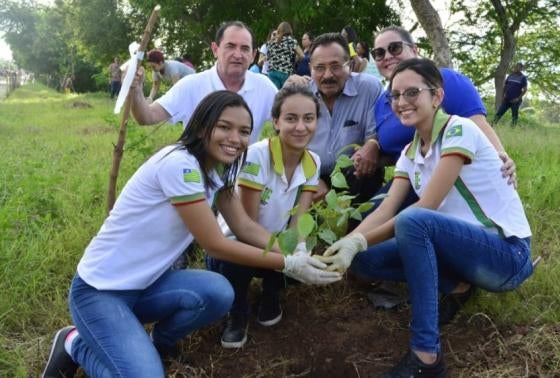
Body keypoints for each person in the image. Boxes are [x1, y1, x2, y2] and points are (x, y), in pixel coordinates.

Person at [41, 91, 341, 378]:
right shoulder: (179, 164)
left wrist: (295, 253)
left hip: (147, 284)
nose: (235, 139)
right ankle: (73, 342)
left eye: (244, 131)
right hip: (99, 291)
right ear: (201, 126)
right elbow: (215, 244)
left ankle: (159, 342)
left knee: (218, 292)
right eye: (225, 127)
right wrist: (287, 265)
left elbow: (245, 227)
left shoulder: (217, 171)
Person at [319, 58, 533, 378]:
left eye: (412, 93)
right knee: (366, 261)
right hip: (464, 252)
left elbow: (426, 206)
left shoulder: (459, 129)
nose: (402, 102)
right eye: (395, 95)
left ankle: (426, 357)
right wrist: (349, 245)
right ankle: (458, 285)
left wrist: (359, 239)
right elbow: (385, 209)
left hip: (506, 254)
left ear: (437, 97)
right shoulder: (409, 153)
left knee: (414, 221)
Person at [207, 84, 321, 348]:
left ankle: (270, 296)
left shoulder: (312, 162)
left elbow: (299, 219)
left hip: (273, 241)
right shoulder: (256, 155)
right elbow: (247, 225)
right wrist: (289, 258)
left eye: (309, 118)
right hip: (239, 241)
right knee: (241, 260)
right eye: (291, 119)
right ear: (276, 121)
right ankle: (237, 313)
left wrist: (299, 249)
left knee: (300, 252)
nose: (300, 127)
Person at [367, 25, 516, 214]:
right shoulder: (383, 102)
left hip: (453, 175)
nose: (387, 56)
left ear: (414, 49)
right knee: (365, 219)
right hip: (411, 180)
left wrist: (501, 158)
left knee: (408, 221)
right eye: (379, 53)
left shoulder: (446, 80)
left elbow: (477, 123)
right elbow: (391, 148)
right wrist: (371, 145)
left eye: (394, 48)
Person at [131, 21, 278, 145]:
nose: (238, 55)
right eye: (230, 46)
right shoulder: (191, 85)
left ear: (253, 55)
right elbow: (147, 117)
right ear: (215, 49)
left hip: (243, 177)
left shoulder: (264, 87)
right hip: (196, 175)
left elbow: (289, 123)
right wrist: (136, 90)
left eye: (245, 48)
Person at [286, 33, 383, 205]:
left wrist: (372, 145)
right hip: (307, 173)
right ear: (310, 68)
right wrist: (311, 178)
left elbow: (373, 135)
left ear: (350, 65)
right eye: (320, 68)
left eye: (336, 66)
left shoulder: (369, 88)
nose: (328, 75)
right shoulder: (299, 94)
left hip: (352, 174)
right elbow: (286, 144)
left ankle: (359, 228)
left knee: (370, 171)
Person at [266, 21, 304, 89]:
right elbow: (302, 56)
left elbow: (268, 58)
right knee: (285, 97)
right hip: (285, 72)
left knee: (274, 96)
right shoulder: (292, 41)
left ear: (279, 30)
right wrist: (295, 60)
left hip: (272, 72)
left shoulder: (271, 43)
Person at [493, 62, 528, 127]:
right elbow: (505, 86)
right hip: (507, 99)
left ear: (521, 69)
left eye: (518, 67)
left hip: (515, 101)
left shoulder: (523, 78)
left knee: (514, 116)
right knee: (499, 113)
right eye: (515, 67)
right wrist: (503, 96)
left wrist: (518, 98)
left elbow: (525, 90)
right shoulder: (510, 76)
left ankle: (512, 129)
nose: (516, 68)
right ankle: (492, 125)